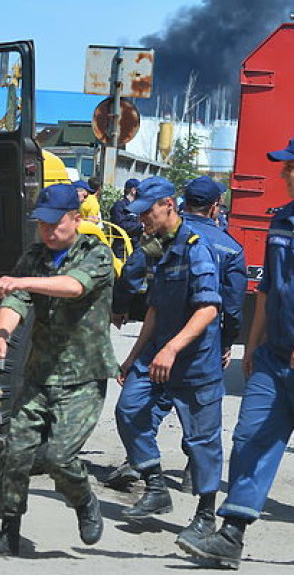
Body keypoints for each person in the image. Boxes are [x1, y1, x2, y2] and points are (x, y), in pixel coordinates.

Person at [177, 133, 294, 571]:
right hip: (274, 356)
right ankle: (233, 533)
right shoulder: (282, 220)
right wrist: (254, 341)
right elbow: (268, 287)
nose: (283, 173)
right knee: (252, 437)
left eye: (290, 166)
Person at [0, 183, 118, 556]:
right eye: (40, 224)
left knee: (58, 457)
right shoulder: (35, 255)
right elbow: (16, 299)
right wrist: (3, 332)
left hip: (83, 377)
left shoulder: (96, 253)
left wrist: (21, 281)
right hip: (39, 373)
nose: (46, 230)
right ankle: (8, 528)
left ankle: (85, 501)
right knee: (14, 452)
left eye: (53, 223)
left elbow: (73, 287)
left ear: (75, 219)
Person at [114, 177, 225, 543]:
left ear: (168, 206)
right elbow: (156, 308)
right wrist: (133, 356)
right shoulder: (157, 247)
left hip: (193, 360)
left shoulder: (197, 248)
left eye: (147, 211)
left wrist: (173, 348)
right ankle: (156, 485)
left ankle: (206, 517)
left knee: (201, 441)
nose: (141, 218)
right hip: (156, 352)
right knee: (129, 410)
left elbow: (208, 309)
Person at [182, 176, 246, 367]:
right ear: (214, 207)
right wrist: (226, 343)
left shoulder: (166, 234)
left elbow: (134, 271)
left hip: (161, 332)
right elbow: (233, 306)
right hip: (205, 341)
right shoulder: (231, 248)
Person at [110, 178, 143, 258]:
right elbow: (121, 226)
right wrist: (140, 226)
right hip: (123, 249)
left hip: (136, 248)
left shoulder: (138, 207)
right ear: (133, 190)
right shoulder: (119, 206)